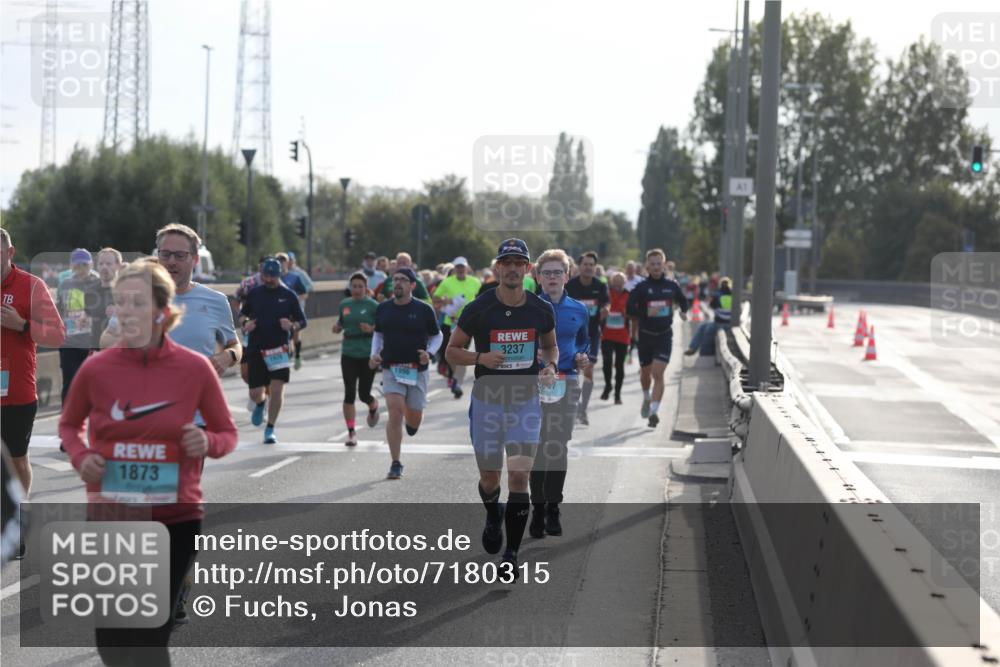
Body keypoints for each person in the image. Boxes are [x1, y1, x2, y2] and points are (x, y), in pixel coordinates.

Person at [59, 258, 238, 666]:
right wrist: (81, 455)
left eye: (137, 302)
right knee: (112, 642)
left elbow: (226, 434)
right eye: (121, 302)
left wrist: (207, 441)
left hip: (174, 517)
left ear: (162, 310)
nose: (126, 311)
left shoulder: (194, 368)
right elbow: (69, 425)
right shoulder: (97, 368)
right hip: (112, 514)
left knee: (149, 637)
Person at [446, 238, 558, 576]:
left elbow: (550, 346)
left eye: (518, 263)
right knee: (490, 478)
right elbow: (452, 351)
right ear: (497, 268)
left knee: (519, 475)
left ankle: (511, 554)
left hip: (525, 402)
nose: (512, 268)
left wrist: (550, 366)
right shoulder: (479, 308)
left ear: (527, 269)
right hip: (488, 402)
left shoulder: (540, 309)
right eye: (506, 263)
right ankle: (493, 513)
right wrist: (480, 357)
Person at [1, 228, 66, 558]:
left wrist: (23, 325)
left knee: (16, 459)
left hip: (16, 390)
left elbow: (58, 335)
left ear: (10, 253)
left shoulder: (31, 286)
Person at [530, 249, 589, 539]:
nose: (552, 277)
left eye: (557, 272)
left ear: (567, 276)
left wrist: (582, 356)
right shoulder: (527, 307)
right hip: (533, 382)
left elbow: (585, 341)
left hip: (567, 380)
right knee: (537, 446)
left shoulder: (579, 309)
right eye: (547, 273)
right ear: (538, 277)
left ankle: (553, 506)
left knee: (558, 445)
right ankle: (537, 508)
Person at [370, 267, 442, 480]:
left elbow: (437, 336)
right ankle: (395, 462)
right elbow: (378, 334)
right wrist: (374, 354)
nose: (398, 283)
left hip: (416, 370)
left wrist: (429, 353)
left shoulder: (423, 309)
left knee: (414, 419)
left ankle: (412, 422)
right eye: (395, 279)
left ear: (412, 285)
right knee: (395, 410)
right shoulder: (383, 308)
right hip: (391, 367)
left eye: (402, 280)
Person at [238, 258, 307, 444]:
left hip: (279, 349)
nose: (268, 280)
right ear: (262, 274)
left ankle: (270, 428)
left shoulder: (289, 295)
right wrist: (246, 323)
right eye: (265, 276)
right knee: (255, 392)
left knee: (277, 390)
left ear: (279, 275)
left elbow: (303, 321)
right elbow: (242, 314)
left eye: (272, 276)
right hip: (256, 347)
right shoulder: (254, 293)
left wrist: (291, 326)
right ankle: (260, 403)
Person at [626, 249, 688, 428]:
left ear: (664, 265)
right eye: (652, 264)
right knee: (645, 373)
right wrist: (645, 312)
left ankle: (654, 411)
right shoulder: (642, 287)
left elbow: (683, 301)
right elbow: (629, 308)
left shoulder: (672, 285)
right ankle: (646, 397)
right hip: (646, 336)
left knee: (658, 374)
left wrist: (683, 311)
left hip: (664, 336)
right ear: (647, 266)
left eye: (658, 264)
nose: (655, 267)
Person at [333, 272, 380, 447]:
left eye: (360, 286)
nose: (357, 289)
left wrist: (371, 329)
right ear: (350, 288)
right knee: (349, 393)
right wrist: (337, 327)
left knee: (363, 394)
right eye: (354, 286)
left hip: (367, 353)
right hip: (348, 352)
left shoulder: (373, 306)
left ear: (366, 288)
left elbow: (383, 328)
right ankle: (351, 432)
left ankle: (372, 404)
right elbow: (341, 322)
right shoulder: (344, 304)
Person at [565, 251, 608, 425]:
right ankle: (574, 405)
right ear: (579, 266)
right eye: (585, 264)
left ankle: (583, 409)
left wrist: (606, 309)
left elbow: (606, 302)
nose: (588, 267)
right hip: (573, 335)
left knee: (588, 369)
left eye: (591, 265)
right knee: (574, 372)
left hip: (591, 335)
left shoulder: (600, 285)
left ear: (595, 267)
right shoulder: (570, 285)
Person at [56, 248, 103, 405]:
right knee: (69, 384)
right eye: (77, 265)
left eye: (84, 265)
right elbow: (58, 309)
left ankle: (96, 417)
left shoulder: (99, 282)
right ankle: (67, 417)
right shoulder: (65, 284)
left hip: (93, 342)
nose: (81, 269)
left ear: (91, 265)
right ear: (71, 266)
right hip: (70, 342)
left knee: (95, 385)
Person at [432, 256, 481, 399]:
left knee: (462, 353)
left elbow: (481, 299)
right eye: (458, 267)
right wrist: (445, 300)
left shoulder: (475, 282)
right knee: (452, 353)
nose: (460, 269)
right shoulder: (447, 282)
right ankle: (453, 377)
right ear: (454, 268)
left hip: (468, 323)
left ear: (466, 268)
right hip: (451, 322)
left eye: (462, 267)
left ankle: (457, 383)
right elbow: (435, 298)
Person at [600, 272, 631, 404]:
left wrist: (627, 314)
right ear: (612, 282)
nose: (618, 285)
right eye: (615, 282)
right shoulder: (606, 294)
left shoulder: (629, 295)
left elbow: (634, 314)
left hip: (623, 336)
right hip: (607, 335)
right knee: (607, 362)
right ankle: (608, 385)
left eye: (620, 282)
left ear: (624, 283)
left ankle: (617, 394)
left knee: (619, 365)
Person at [276, 252, 309, 370]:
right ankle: (285, 356)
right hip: (280, 312)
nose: (281, 263)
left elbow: (304, 293)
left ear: (287, 262)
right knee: (284, 336)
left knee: (295, 334)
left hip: (293, 312)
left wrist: (294, 301)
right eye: (279, 260)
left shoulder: (295, 277)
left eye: (283, 260)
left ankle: (297, 355)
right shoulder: (274, 278)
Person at [685, 277, 732, 356]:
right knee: (705, 326)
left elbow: (712, 306)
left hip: (719, 323)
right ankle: (695, 349)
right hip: (731, 323)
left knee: (704, 328)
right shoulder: (733, 295)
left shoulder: (717, 295)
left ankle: (695, 349)